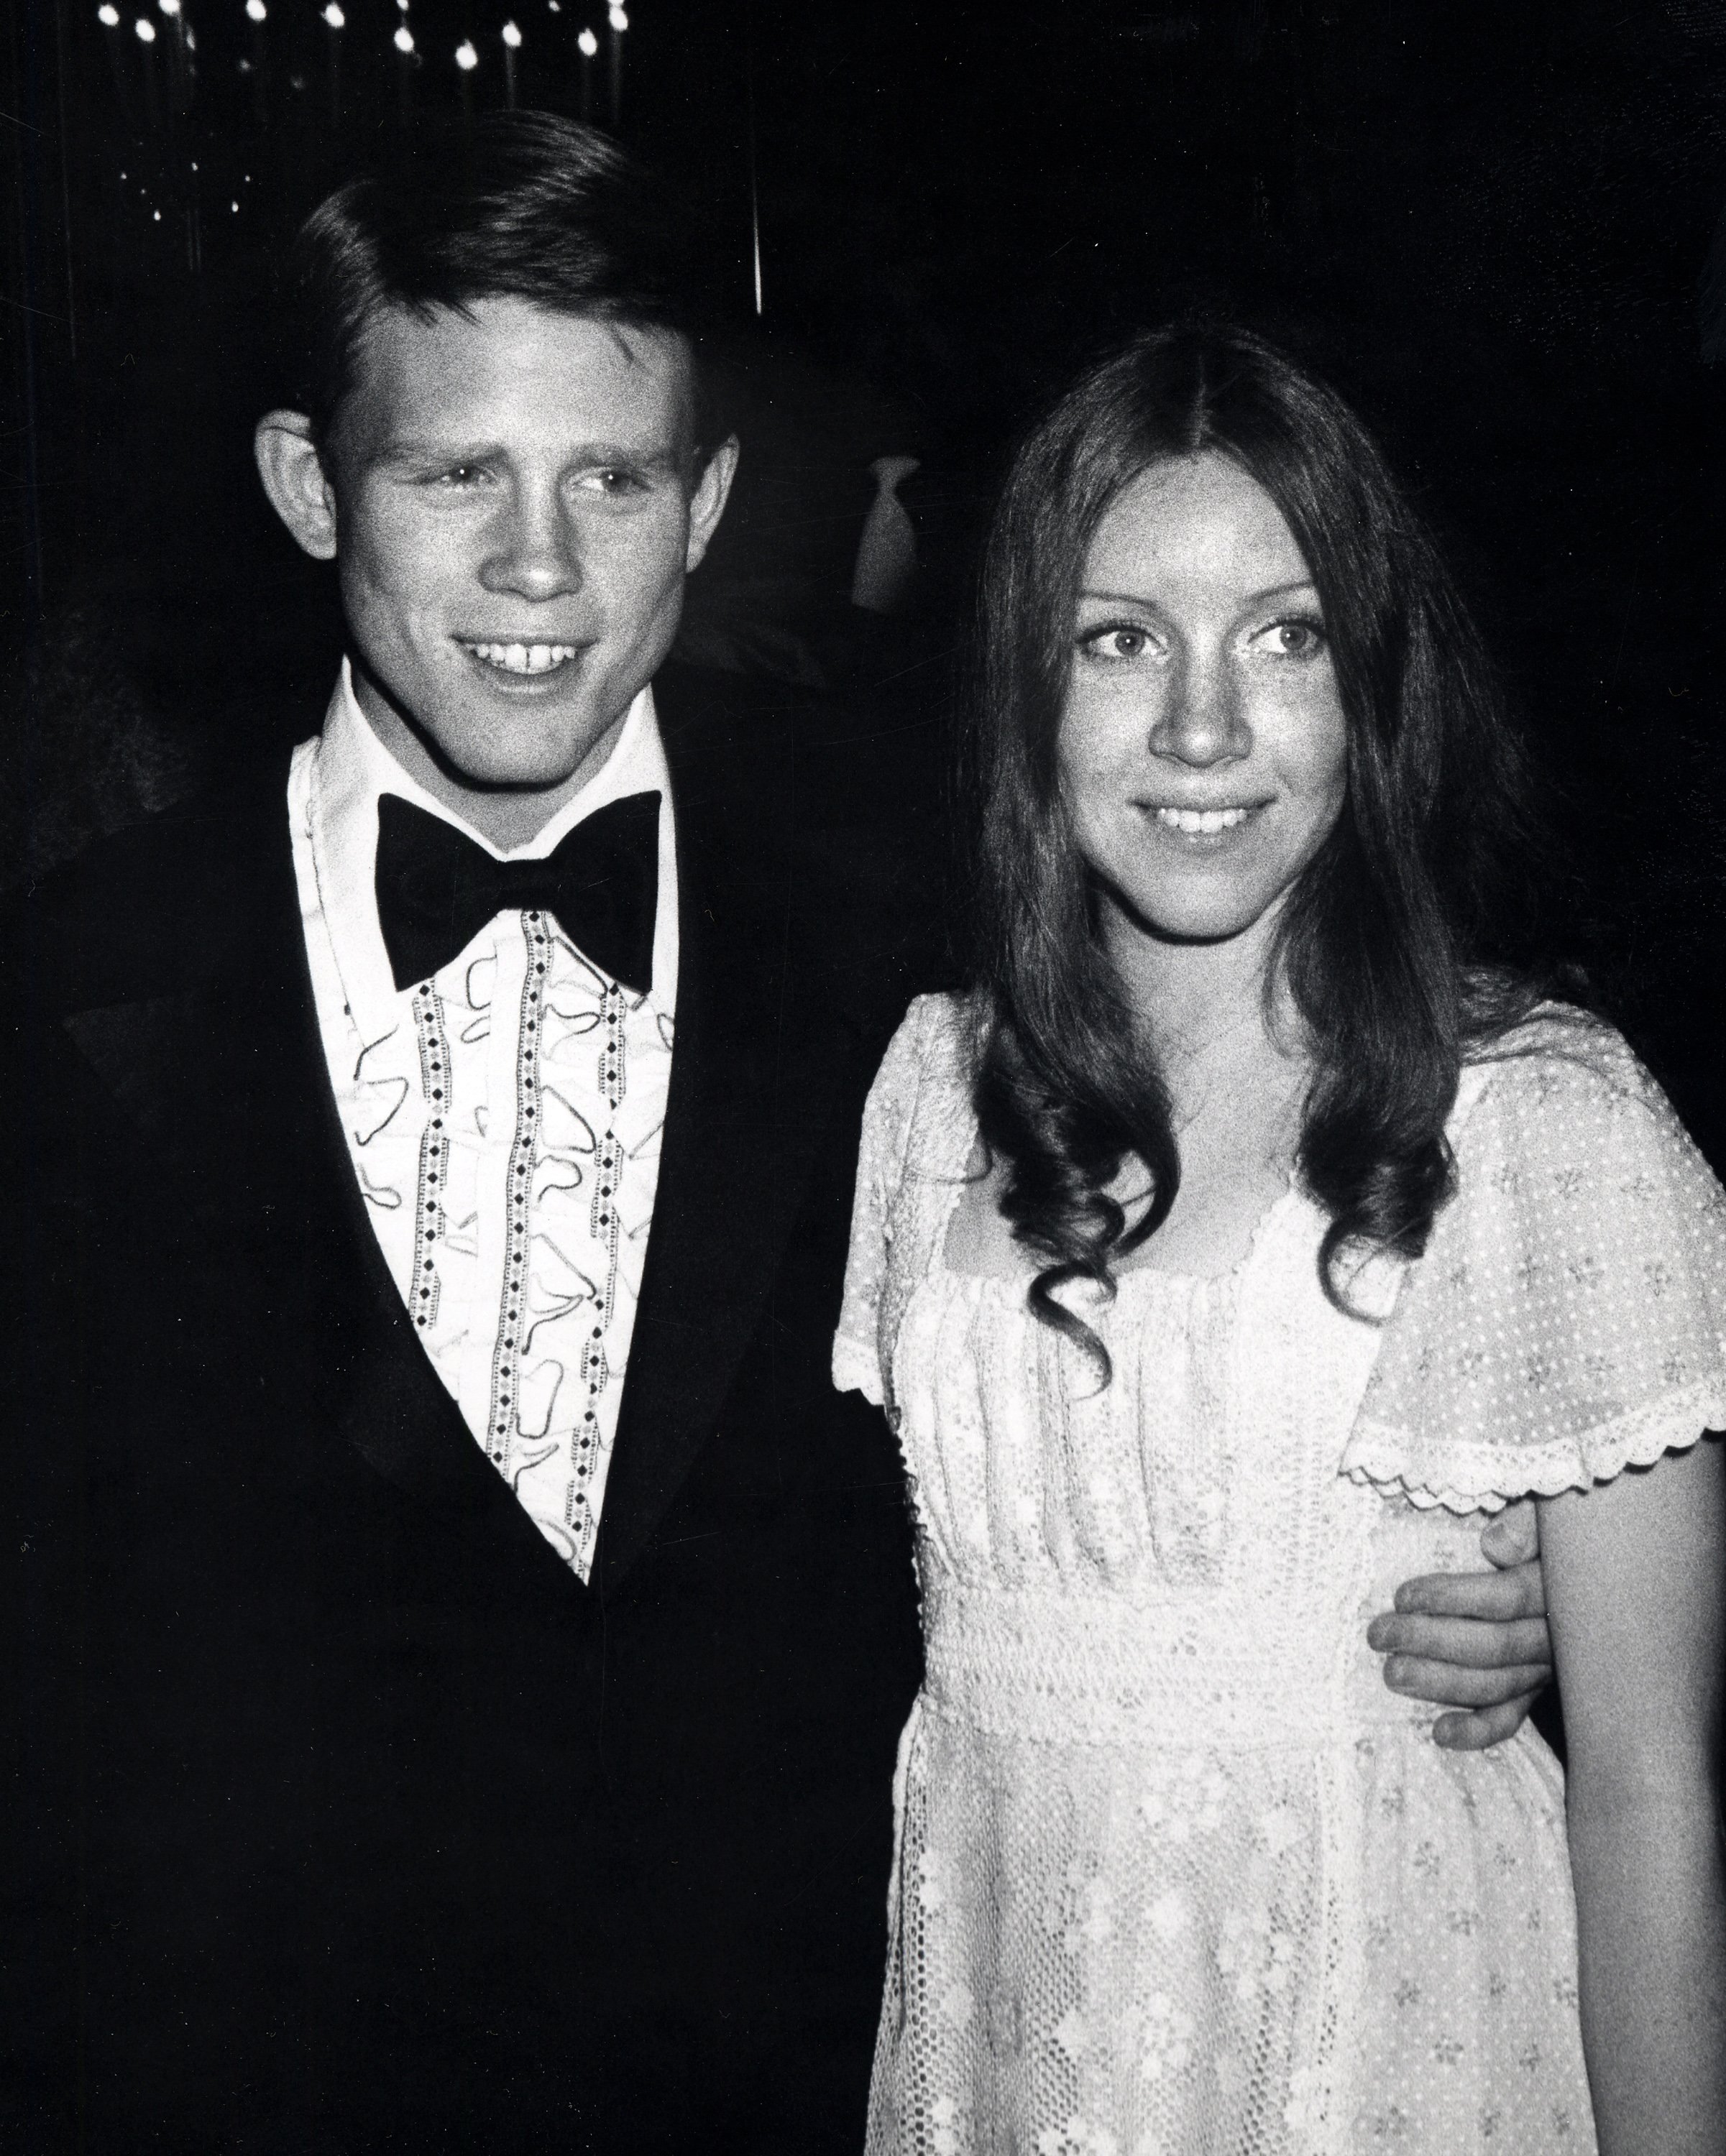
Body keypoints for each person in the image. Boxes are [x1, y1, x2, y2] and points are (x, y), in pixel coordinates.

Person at [0, 126, 1560, 2151]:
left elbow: (1280, 1174)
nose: (540, 566)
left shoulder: (928, 937)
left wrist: (1461, 1528)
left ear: (708, 501)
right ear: (311, 486)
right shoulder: (64, 1000)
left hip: (805, 2063)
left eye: (614, 479)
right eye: (455, 469)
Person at [835, 324, 1726, 2155]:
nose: (1200, 729)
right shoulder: (927, 1094)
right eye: (1119, 639)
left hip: (1393, 2042)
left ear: (1371, 689)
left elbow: (1646, 1794)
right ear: (1027, 689)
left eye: (1284, 635)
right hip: (1020, 2045)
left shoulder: (1541, 1116)